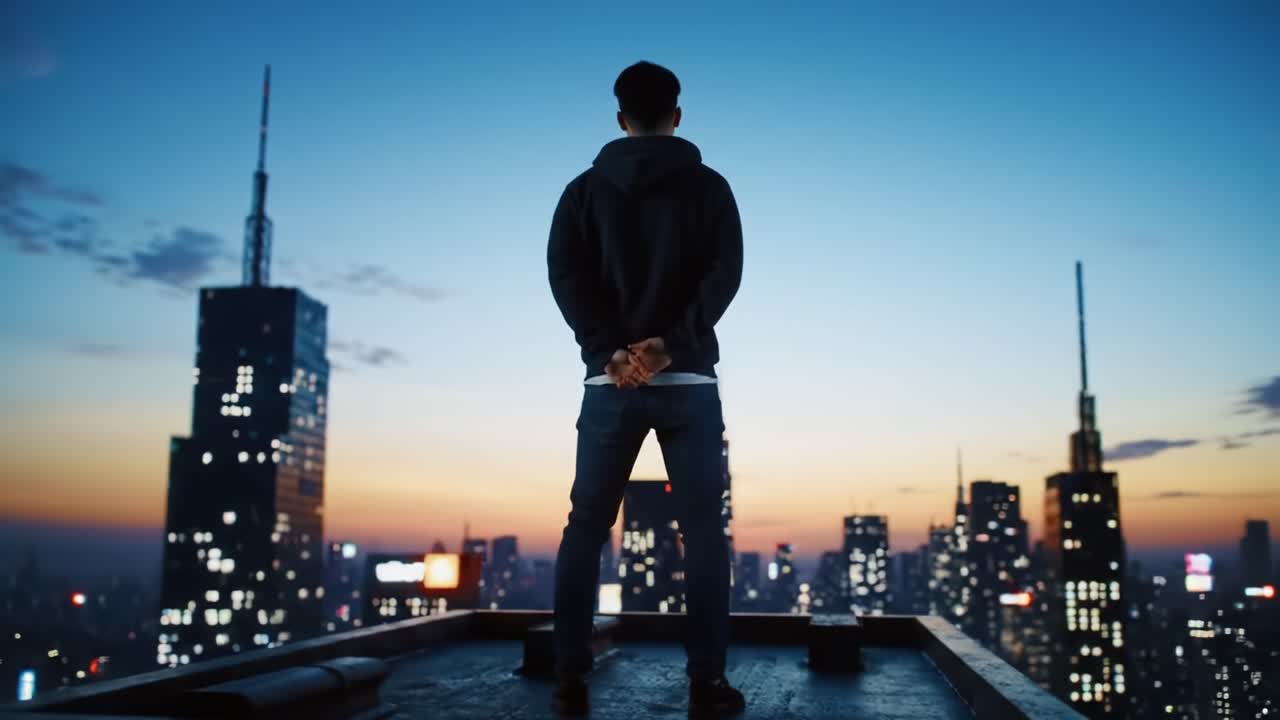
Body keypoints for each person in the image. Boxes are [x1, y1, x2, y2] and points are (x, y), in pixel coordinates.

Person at [546, 60, 745, 717]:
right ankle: (708, 682)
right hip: (688, 381)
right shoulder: (711, 188)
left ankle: (568, 676)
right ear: (677, 115)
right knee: (705, 534)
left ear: (620, 117)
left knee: (585, 528)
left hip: (609, 385)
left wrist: (609, 352)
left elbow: (565, 275)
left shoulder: (581, 191)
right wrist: (668, 346)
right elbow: (724, 275)